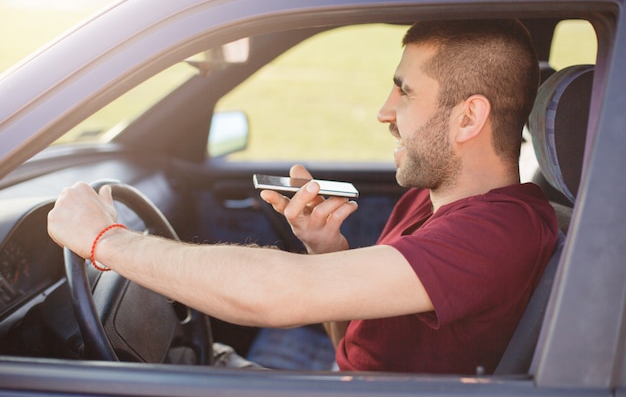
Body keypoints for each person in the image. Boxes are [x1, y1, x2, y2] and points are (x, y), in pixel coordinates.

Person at [47, 19, 559, 375]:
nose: (384, 111)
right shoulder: (428, 202)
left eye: (403, 91)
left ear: (468, 117)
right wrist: (325, 251)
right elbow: (357, 349)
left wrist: (107, 241)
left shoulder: (501, 231)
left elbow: (275, 294)